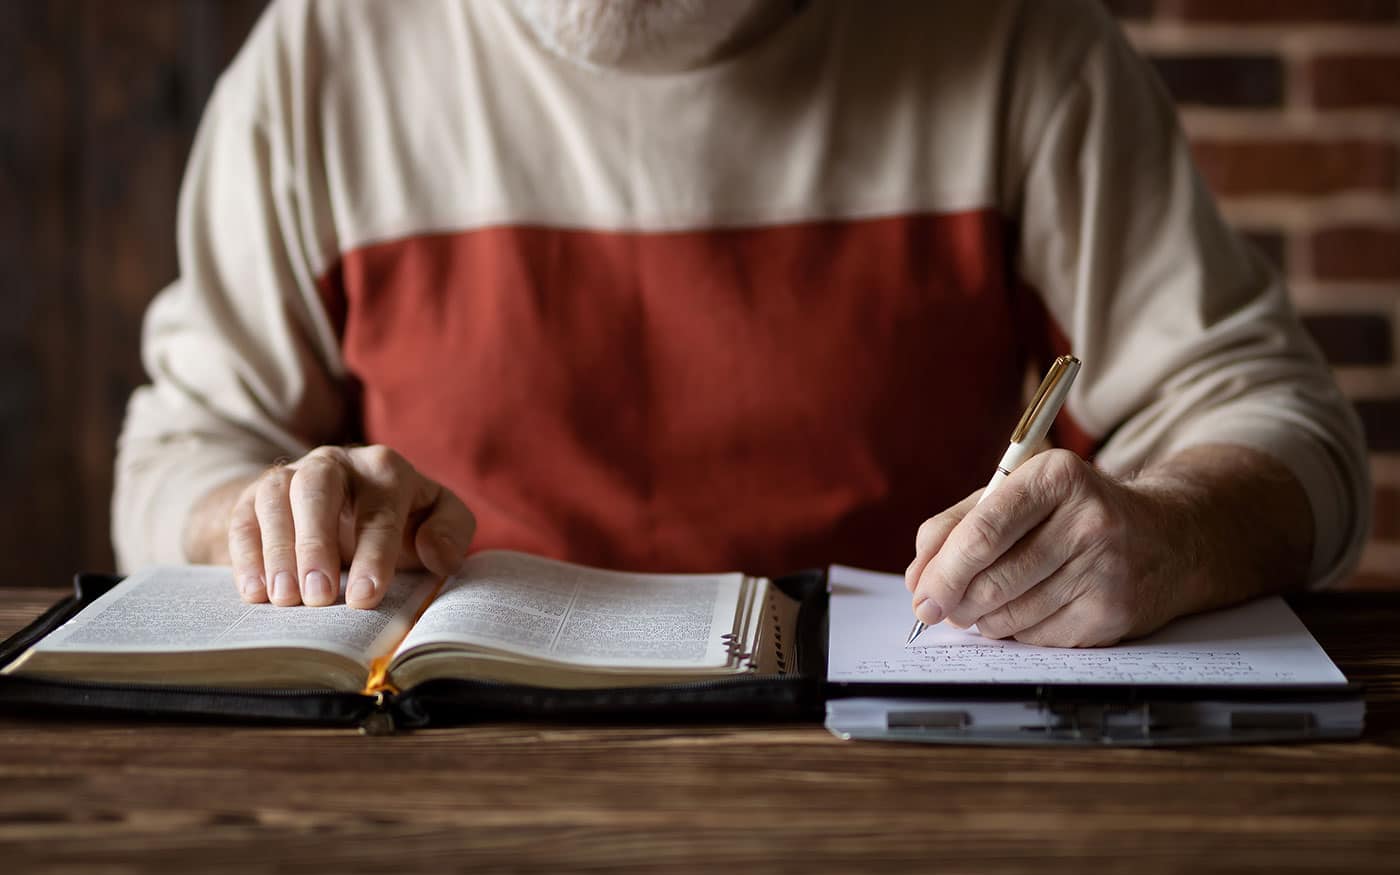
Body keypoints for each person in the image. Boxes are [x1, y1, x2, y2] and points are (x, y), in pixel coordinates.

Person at [114, 0, 1371, 648]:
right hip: (441, 776)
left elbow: (1277, 418)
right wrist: (267, 517)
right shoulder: (323, 52)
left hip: (913, 774)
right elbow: (174, 458)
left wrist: (1173, 531)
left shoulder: (1015, 38)